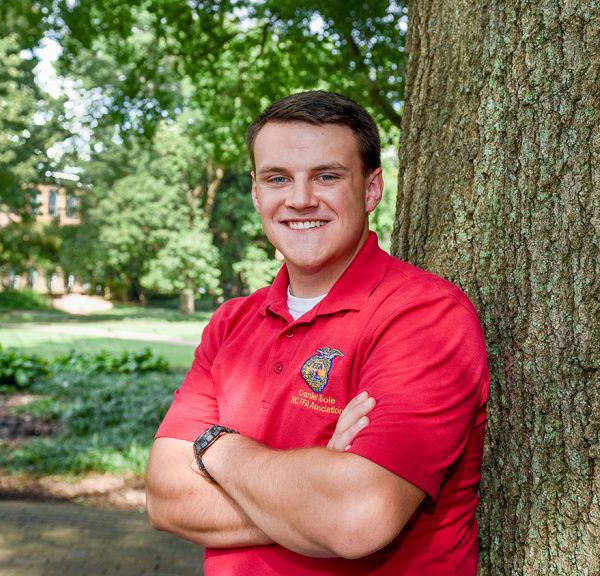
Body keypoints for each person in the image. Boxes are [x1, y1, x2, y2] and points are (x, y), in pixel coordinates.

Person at [145, 90, 489, 575]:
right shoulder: (230, 324)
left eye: (327, 176)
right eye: (278, 178)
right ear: (256, 192)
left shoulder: (425, 317)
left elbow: (354, 518)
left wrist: (214, 445)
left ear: (371, 190)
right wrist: (314, 493)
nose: (301, 199)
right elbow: (164, 499)